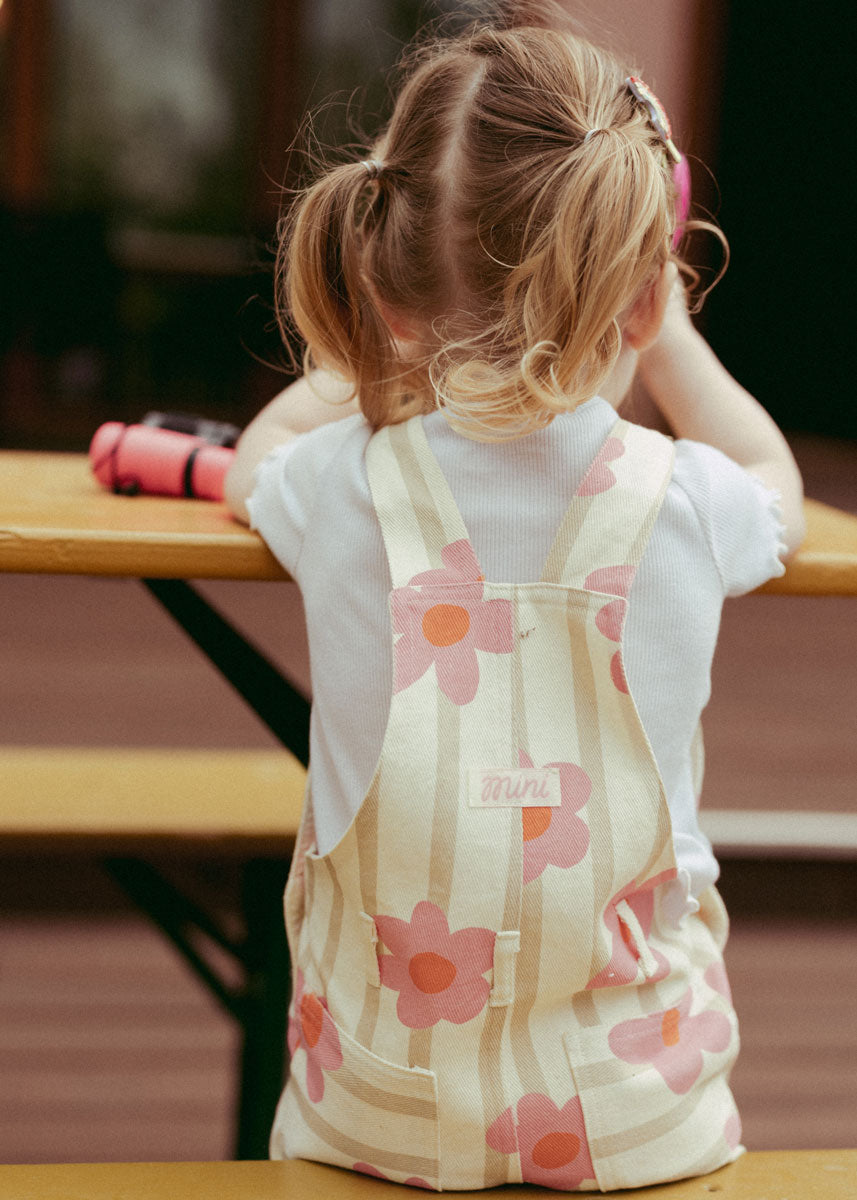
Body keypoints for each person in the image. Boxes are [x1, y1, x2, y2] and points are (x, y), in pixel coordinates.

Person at [225, 8, 804, 1191]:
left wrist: (357, 367)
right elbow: (776, 488)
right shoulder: (686, 502)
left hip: (377, 1107)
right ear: (634, 296)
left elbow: (251, 463)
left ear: (383, 282)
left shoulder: (341, 486)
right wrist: (671, 344)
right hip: (643, 1117)